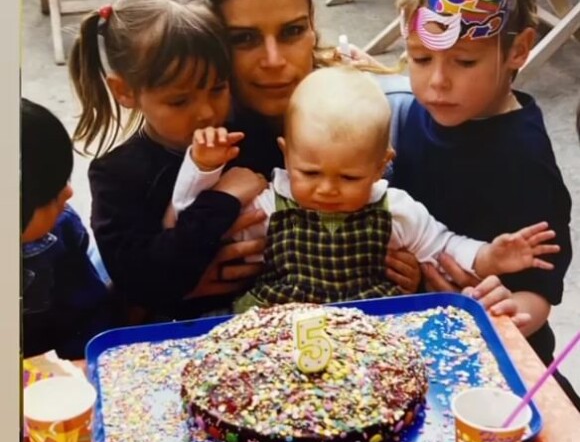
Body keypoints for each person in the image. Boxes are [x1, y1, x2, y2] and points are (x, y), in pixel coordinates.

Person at [184, 0, 535, 321]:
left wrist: (415, 278)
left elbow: (435, 244)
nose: (274, 60)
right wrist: (182, 274)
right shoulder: (188, 131)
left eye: (293, 31)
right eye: (243, 39)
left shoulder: (376, 112)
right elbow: (124, 288)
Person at [170, 67, 559, 312]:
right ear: (286, 156)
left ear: (380, 166)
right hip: (280, 329)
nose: (327, 189)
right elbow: (194, 220)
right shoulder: (271, 203)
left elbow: (445, 248)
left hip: (371, 329)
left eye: (349, 178)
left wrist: (491, 256)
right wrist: (202, 168)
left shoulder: (395, 209)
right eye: (310, 171)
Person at [390, 0, 578, 408]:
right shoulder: (413, 115)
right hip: (415, 346)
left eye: (464, 61)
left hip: (500, 370)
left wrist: (510, 313)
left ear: (519, 50)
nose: (436, 82)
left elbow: (540, 292)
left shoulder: (524, 158)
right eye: (420, 58)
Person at [69, 0, 267, 322]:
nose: (207, 111)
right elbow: (143, 282)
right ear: (125, 91)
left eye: (218, 87)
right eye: (180, 100)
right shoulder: (117, 177)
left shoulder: (253, 133)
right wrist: (223, 200)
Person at [21, 98, 113, 359]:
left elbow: (88, 312)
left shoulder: (61, 229)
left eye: (65, 179)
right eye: (48, 193)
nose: (69, 193)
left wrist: (82, 362)